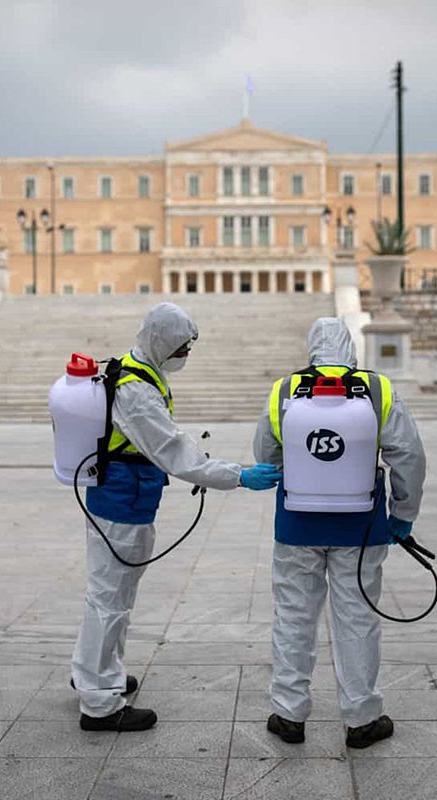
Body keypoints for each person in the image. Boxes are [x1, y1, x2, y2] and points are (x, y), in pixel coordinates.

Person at [72, 302, 281, 732]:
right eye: (180, 347)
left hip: (128, 499)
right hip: (120, 504)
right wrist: (237, 475)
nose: (184, 355)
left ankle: (98, 674)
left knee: (113, 597)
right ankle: (98, 702)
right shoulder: (136, 390)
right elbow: (173, 452)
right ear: (163, 342)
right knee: (109, 600)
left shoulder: (141, 368)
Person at [252, 317, 426, 749]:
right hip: (361, 527)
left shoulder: (285, 390)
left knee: (294, 617)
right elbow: (409, 455)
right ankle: (362, 718)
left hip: (296, 525)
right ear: (350, 348)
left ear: (312, 348)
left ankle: (289, 714)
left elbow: (265, 453)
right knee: (357, 619)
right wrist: (402, 514)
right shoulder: (378, 390)